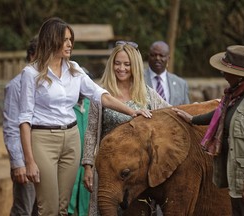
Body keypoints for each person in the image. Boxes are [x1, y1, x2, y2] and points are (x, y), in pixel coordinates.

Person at [18, 17, 151, 216]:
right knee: (48, 208)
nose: (70, 44)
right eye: (65, 40)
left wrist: (132, 111)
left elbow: (101, 95)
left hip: (71, 139)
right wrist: (29, 161)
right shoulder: (30, 74)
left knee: (64, 208)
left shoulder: (74, 69)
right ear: (51, 40)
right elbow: (24, 119)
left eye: (71, 39)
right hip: (43, 139)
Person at [172, 45, 244, 216]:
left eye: (225, 70)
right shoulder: (236, 94)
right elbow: (223, 114)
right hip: (237, 179)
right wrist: (192, 119)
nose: (222, 74)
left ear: (239, 74)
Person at [82, 40, 170, 215]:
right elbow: (91, 131)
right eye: (117, 63)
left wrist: (194, 112)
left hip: (138, 173)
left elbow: (169, 115)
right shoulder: (101, 94)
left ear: (135, 66)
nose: (121, 68)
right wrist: (87, 166)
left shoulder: (148, 95)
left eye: (127, 64)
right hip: (108, 170)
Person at [3, 36, 38, 216]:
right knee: (23, 209)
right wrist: (18, 163)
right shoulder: (16, 85)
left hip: (43, 158)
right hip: (25, 160)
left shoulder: (45, 84)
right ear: (32, 56)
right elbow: (11, 127)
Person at [68, 71, 92, 216]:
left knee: (87, 204)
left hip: (88, 163)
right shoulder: (66, 107)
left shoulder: (92, 106)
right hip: (69, 161)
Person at [144, 41, 190, 105]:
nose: (157, 58)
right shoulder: (137, 78)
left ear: (168, 58)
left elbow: (187, 110)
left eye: (161, 55)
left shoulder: (181, 84)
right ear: (148, 57)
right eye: (154, 55)